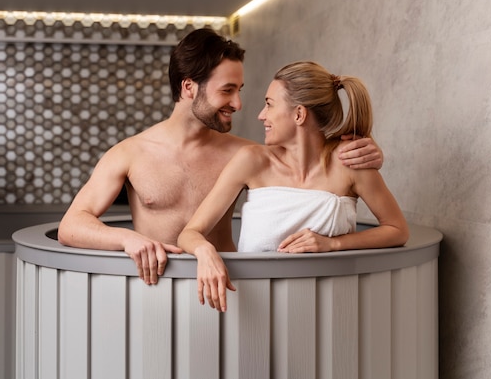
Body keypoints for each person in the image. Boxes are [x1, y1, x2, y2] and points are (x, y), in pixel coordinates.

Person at [58, 29, 384, 285]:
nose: (239, 104)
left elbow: (310, 159)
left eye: (239, 90)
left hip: (231, 284)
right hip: (159, 285)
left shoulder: (245, 154)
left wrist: (367, 152)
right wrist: (128, 239)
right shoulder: (130, 153)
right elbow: (72, 225)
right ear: (189, 88)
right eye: (227, 90)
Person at [177, 61, 409, 312]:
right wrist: (205, 252)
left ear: (299, 114)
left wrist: (333, 244)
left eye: (269, 104)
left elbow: (397, 229)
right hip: (254, 304)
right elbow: (189, 233)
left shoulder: (349, 162)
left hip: (332, 305)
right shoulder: (252, 161)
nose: (261, 115)